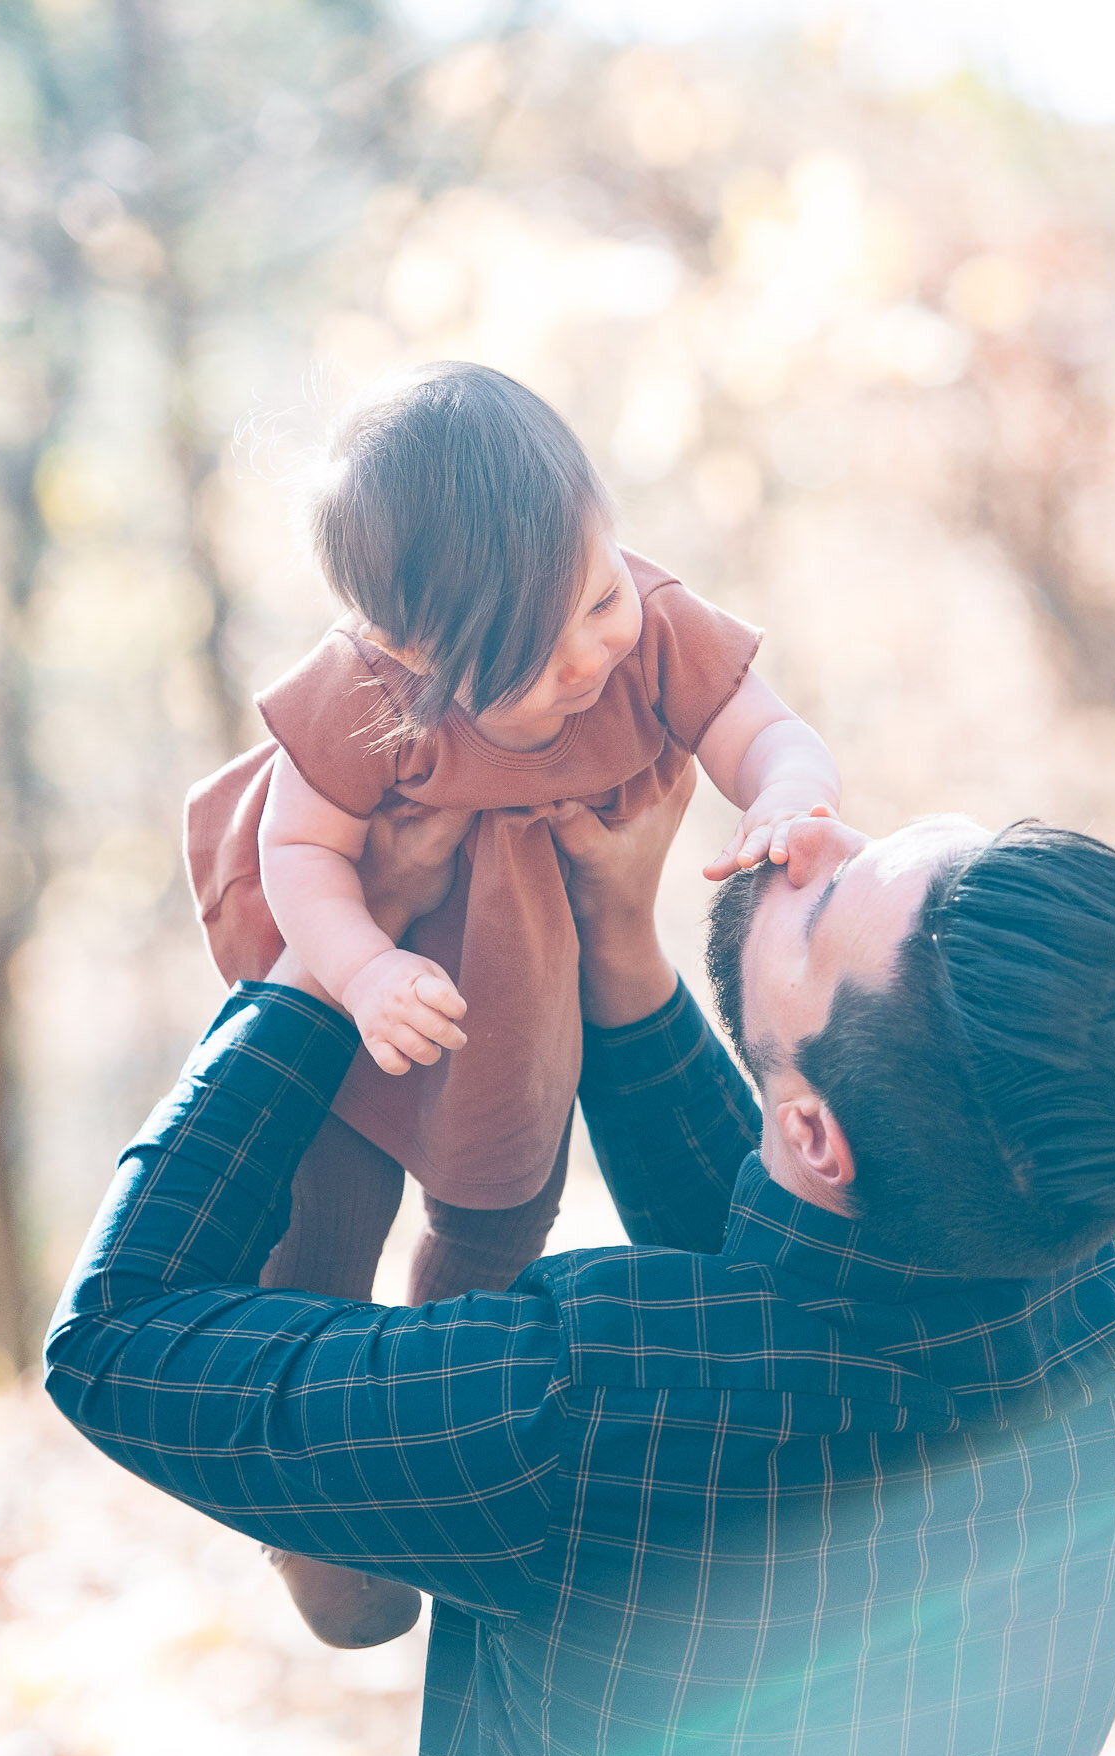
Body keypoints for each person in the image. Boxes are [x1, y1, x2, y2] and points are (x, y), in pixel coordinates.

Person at [46, 777, 1115, 1756]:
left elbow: (116, 1339)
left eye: (823, 901)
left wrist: (320, 964)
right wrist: (620, 955)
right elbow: (791, 1304)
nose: (812, 832)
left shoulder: (576, 1403)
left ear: (816, 1134)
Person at [184, 359, 839, 1646]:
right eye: (551, 647)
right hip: (363, 989)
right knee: (316, 1227)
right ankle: (305, 1507)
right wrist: (362, 969)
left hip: (510, 993)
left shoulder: (640, 615)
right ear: (414, 655)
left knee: (497, 1208)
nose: (604, 640)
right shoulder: (361, 690)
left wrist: (785, 794)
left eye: (602, 591)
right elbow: (301, 852)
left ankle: (420, 1454)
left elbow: (767, 729)